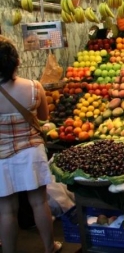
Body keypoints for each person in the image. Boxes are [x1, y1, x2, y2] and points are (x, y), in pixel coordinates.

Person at [0, 36, 62, 253]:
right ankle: (49, 247)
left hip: (1, 156)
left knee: (7, 210)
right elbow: (44, 118)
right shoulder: (34, 88)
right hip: (30, 152)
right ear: (16, 61)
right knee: (38, 202)